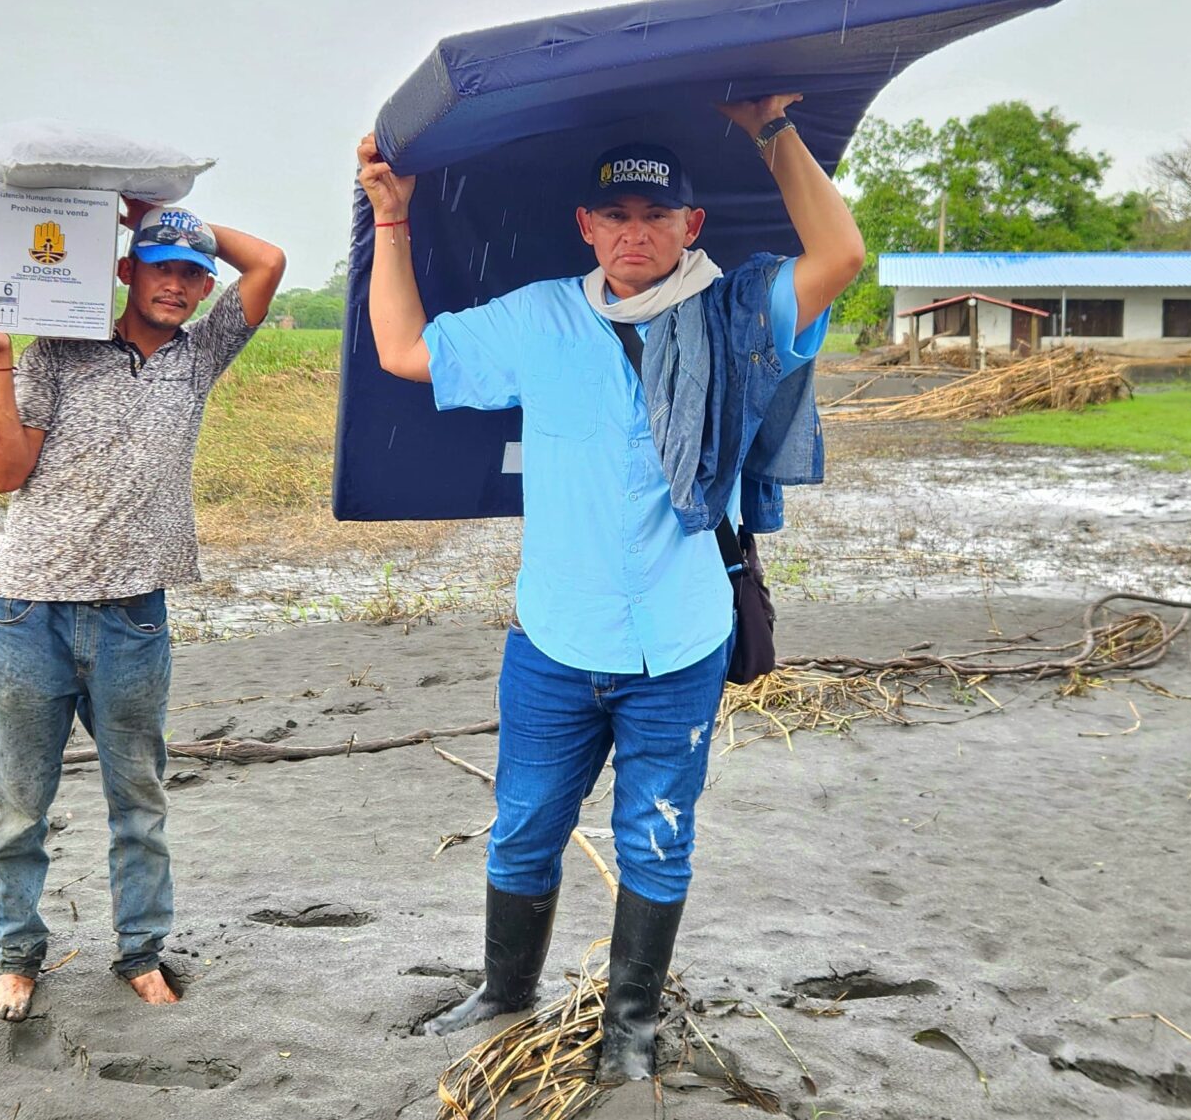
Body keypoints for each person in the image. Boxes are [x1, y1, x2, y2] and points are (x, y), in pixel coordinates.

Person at [356, 95, 863, 1083]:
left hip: (677, 639)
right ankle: (504, 990)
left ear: (690, 226)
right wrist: (390, 220)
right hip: (553, 636)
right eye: (617, 217)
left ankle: (630, 1022)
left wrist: (771, 132)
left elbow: (838, 258)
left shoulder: (735, 311)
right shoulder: (540, 318)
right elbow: (402, 350)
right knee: (525, 823)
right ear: (588, 227)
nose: (637, 233)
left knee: (657, 836)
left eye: (657, 216)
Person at [0, 198, 286, 1022]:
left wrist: (156, 211)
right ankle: (17, 958)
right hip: (30, 613)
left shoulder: (199, 355)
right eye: (161, 265)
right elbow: (3, 473)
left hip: (136, 615)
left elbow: (269, 262)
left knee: (139, 798)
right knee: (18, 804)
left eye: (193, 273)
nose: (178, 285)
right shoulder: (57, 351)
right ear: (125, 270)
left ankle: (140, 952)